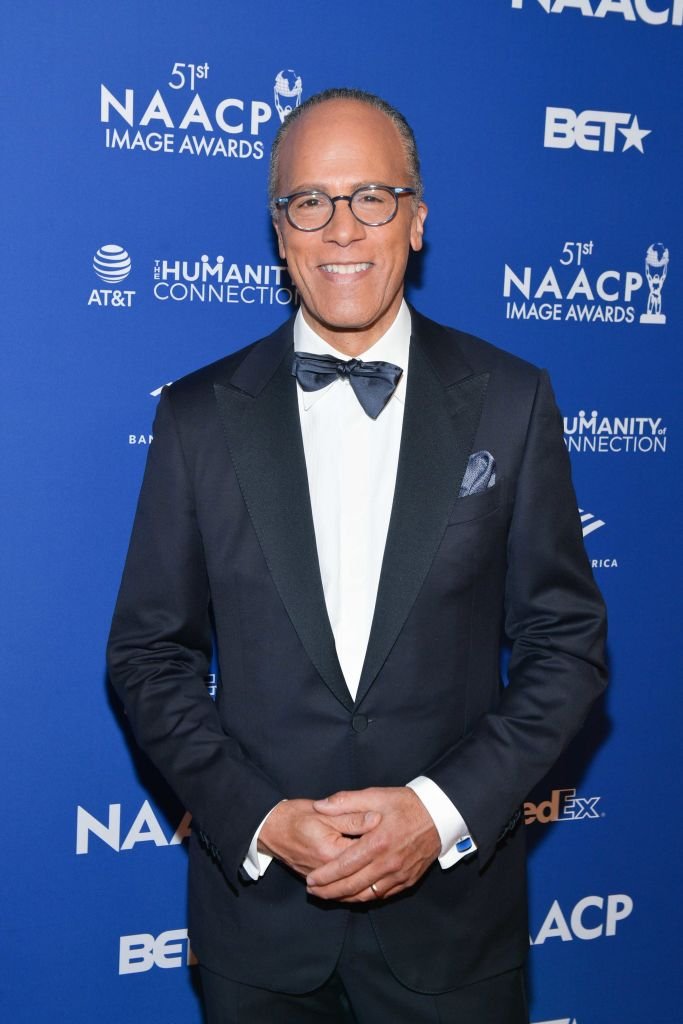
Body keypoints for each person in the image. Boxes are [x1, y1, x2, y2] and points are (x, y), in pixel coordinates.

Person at [107, 88, 607, 1023]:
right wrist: (261, 818)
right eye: (311, 202)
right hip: (259, 935)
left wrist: (436, 811)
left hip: (453, 935)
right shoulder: (195, 416)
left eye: (371, 197)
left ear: (415, 221)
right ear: (280, 231)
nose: (341, 228)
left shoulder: (511, 399)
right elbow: (148, 654)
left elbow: (566, 645)